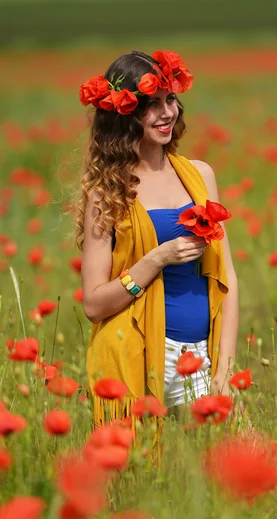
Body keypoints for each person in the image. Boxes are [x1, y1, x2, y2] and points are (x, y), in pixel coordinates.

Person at [74, 49, 239, 426]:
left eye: (171, 100)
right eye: (152, 105)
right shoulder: (108, 192)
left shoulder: (200, 176)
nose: (167, 114)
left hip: (203, 355)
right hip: (139, 353)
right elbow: (95, 305)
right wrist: (155, 260)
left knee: (220, 474)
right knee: (144, 478)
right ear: (125, 112)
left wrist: (225, 369)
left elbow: (227, 278)